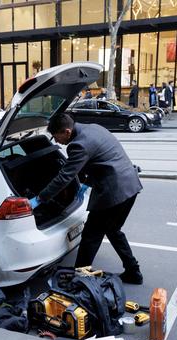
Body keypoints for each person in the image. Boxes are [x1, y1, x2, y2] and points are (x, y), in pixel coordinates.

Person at [30, 113, 143, 284]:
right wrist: (86, 182)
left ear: (67, 131)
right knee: (113, 230)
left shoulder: (78, 145)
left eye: (56, 136)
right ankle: (133, 272)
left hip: (113, 193)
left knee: (91, 235)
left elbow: (64, 177)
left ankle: (79, 278)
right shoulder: (94, 128)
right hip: (130, 186)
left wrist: (40, 198)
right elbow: (101, 160)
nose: (56, 141)